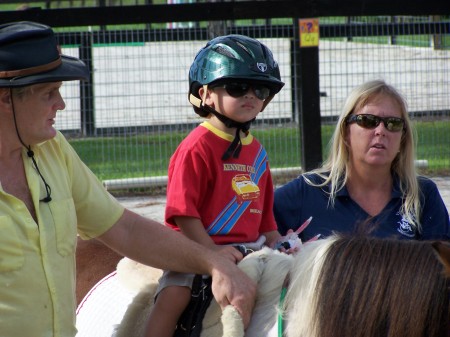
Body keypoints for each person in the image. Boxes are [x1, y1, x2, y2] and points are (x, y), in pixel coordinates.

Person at [0, 21, 256, 337]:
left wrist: (215, 263)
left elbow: (125, 228)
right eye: (49, 93)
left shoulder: (52, 150)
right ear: (6, 98)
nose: (61, 104)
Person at [145, 34, 286, 337]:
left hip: (249, 250)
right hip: (193, 248)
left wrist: (279, 244)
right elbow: (183, 214)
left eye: (260, 89)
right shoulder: (197, 146)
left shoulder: (258, 152)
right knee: (176, 293)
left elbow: (265, 217)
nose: (250, 95)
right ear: (206, 94)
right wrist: (211, 254)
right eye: (237, 87)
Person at [274, 80, 450, 241]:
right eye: (368, 121)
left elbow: (441, 270)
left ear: (403, 138)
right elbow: (255, 234)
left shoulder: (423, 196)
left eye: (393, 123)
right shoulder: (307, 192)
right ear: (345, 133)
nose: (381, 130)